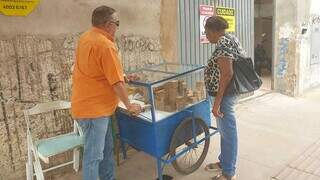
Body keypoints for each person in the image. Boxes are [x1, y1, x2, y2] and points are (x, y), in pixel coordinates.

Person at [71, 6, 142, 180]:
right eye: (117, 23)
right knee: (93, 158)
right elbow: (115, 83)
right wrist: (129, 105)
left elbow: (97, 71)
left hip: (89, 107)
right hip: (94, 112)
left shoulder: (86, 38)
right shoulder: (105, 45)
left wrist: (123, 76)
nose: (117, 28)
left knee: (106, 150)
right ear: (109, 24)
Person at [204, 16, 245, 180]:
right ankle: (224, 162)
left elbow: (227, 73)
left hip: (225, 96)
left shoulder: (223, 42)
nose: (206, 36)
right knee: (224, 131)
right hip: (226, 94)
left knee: (228, 132)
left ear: (214, 31)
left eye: (207, 33)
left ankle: (229, 173)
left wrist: (217, 103)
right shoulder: (230, 38)